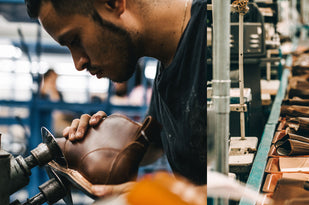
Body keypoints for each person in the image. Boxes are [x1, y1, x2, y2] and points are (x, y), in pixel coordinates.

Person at [25, 0, 207, 193]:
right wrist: (99, 144)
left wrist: (155, 198)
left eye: (75, 39)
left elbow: (239, 187)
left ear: (113, 3)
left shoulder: (214, 36)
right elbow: (152, 145)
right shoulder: (166, 65)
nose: (78, 63)